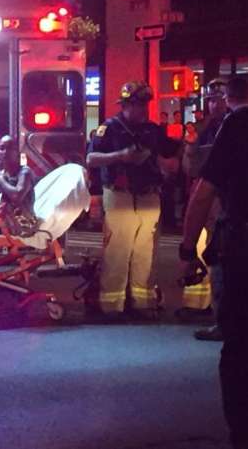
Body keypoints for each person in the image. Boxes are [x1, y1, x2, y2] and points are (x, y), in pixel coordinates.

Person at [179, 77, 248, 449]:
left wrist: (187, 248)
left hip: (243, 244)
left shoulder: (236, 125)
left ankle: (242, 432)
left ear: (231, 98)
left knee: (239, 345)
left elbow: (203, 190)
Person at [86, 81, 180, 320]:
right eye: (138, 105)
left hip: (149, 195)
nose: (143, 109)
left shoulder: (152, 130)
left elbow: (171, 154)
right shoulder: (109, 128)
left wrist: (167, 162)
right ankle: (112, 307)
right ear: (125, 105)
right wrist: (121, 156)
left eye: (145, 104)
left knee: (145, 253)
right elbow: (91, 158)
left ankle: (143, 303)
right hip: (120, 195)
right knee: (117, 252)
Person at [177, 78, 228, 340]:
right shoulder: (205, 129)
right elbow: (190, 169)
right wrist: (190, 147)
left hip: (225, 199)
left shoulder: (235, 126)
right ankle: (198, 304)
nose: (213, 105)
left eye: (218, 99)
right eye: (210, 100)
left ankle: (223, 317)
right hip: (206, 195)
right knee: (201, 250)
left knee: (221, 255)